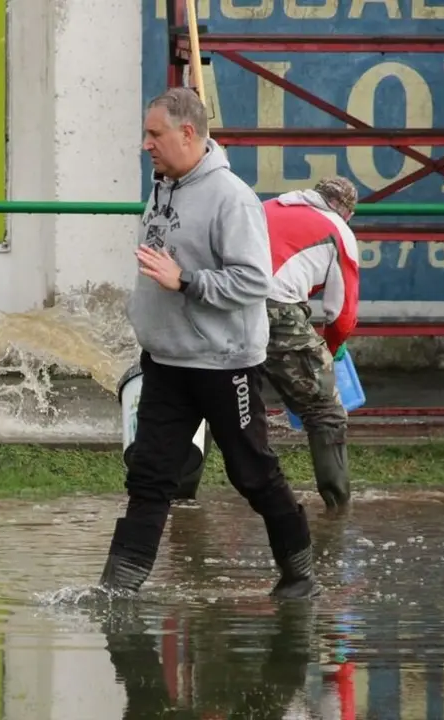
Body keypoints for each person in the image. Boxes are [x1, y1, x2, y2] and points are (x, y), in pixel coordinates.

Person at [98, 87, 316, 600]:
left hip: (224, 365)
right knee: (148, 476)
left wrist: (188, 282)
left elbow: (253, 281)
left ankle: (300, 573)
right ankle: (117, 588)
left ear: (188, 133)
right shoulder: (162, 187)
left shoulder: (232, 199)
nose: (145, 144)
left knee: (252, 473)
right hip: (166, 362)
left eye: (155, 134)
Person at [262, 177, 361, 511]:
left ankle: (181, 496)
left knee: (213, 399)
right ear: (346, 211)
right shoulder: (339, 230)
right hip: (277, 311)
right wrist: (331, 352)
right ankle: (338, 507)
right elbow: (341, 314)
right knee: (325, 411)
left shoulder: (267, 207)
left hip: (222, 305)